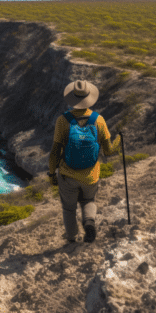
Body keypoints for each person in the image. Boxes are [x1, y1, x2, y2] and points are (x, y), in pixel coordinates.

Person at [48, 80, 121, 244]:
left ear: (71, 98)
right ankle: (89, 222)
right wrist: (118, 141)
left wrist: (52, 174)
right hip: (91, 175)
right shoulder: (98, 120)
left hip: (67, 175)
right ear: (90, 98)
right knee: (88, 201)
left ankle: (72, 238)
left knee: (69, 208)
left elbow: (55, 152)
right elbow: (109, 150)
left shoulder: (63, 121)